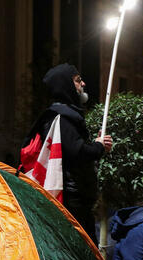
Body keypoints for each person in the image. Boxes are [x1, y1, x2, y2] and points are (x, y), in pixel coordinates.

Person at [26, 63, 112, 239]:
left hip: (76, 199)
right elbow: (77, 152)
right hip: (71, 201)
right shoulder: (61, 116)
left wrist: (97, 145)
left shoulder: (65, 115)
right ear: (66, 85)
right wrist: (98, 147)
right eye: (78, 80)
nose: (83, 84)